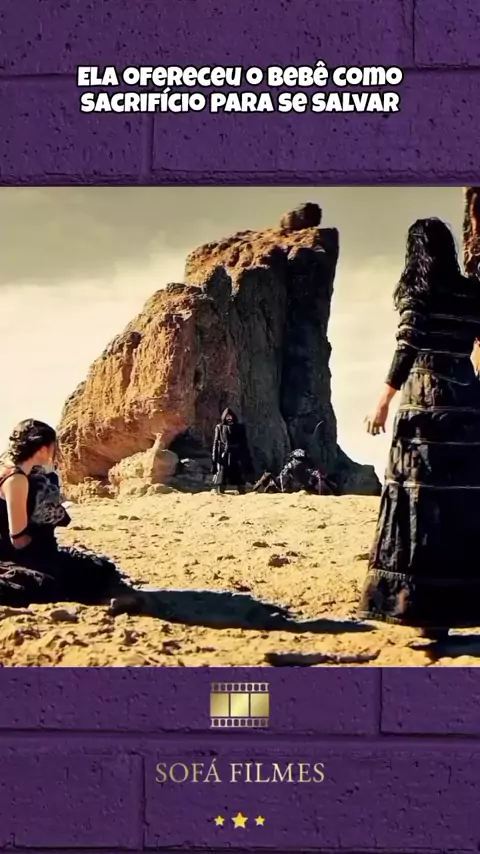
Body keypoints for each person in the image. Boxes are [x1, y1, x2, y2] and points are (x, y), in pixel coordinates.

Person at [358, 218, 480, 642]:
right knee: (460, 501)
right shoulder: (471, 293)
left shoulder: (418, 293)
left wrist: (381, 403)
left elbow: (407, 345)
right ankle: (458, 604)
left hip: (424, 405)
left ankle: (419, 608)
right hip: (466, 402)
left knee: (417, 500)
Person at [0, 419, 129, 607]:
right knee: (45, 585)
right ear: (42, 449)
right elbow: (18, 539)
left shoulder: (19, 471)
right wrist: (44, 545)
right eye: (53, 446)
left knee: (97, 568)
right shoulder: (16, 479)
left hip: (23, 550)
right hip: (13, 554)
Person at [211, 408, 253, 494]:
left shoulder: (239, 427)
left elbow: (244, 443)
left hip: (236, 455)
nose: (229, 418)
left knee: (239, 475)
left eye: (230, 416)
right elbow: (216, 444)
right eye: (227, 416)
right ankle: (221, 491)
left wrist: (245, 457)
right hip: (224, 456)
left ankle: (241, 491)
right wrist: (215, 458)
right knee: (222, 475)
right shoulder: (220, 427)